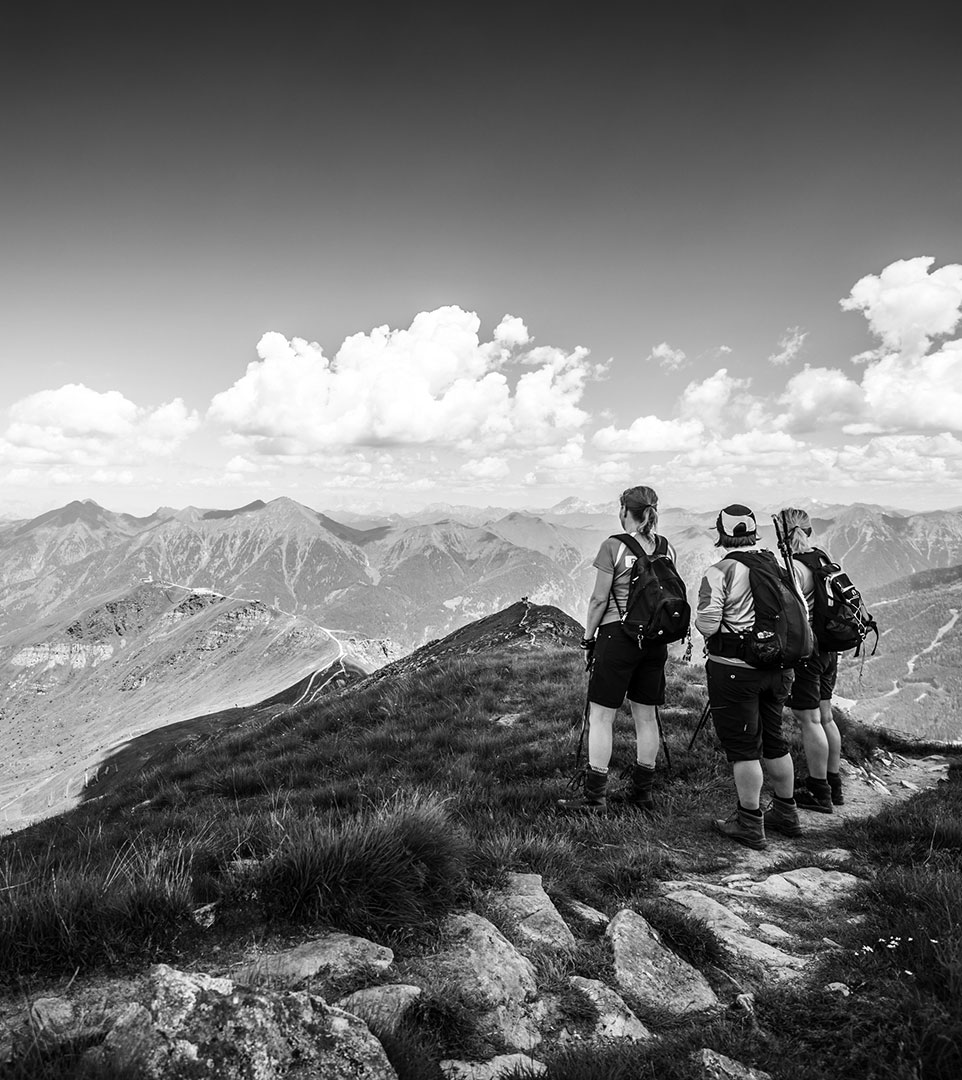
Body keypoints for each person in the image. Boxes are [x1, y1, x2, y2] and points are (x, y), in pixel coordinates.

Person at [558, 485, 676, 814]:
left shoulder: (613, 546)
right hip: (654, 642)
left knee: (601, 716)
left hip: (617, 637)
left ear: (625, 510)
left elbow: (598, 598)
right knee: (646, 717)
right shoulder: (665, 547)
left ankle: (595, 797)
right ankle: (644, 793)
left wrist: (588, 638)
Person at [694, 504, 801, 849]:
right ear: (753, 531)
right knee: (774, 740)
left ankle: (749, 822)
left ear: (722, 533)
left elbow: (708, 623)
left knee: (743, 749)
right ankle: (787, 813)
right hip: (779, 668)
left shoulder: (719, 571)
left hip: (736, 671)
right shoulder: (779, 565)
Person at [777, 507, 844, 812]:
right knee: (826, 717)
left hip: (809, 653)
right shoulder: (822, 558)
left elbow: (785, 613)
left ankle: (819, 793)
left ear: (783, 533)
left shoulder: (793, 569)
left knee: (809, 719)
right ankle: (834, 785)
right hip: (831, 650)